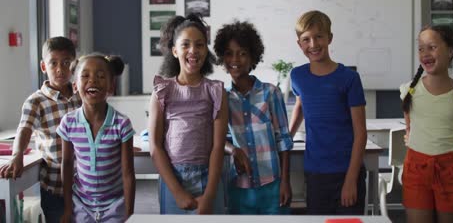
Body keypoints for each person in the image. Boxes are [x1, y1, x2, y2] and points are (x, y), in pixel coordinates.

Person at [288, 10, 367, 215]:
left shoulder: (349, 78)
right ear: (300, 44)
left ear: (329, 38)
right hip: (316, 173)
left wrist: (351, 181)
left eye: (319, 37)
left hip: (347, 171)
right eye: (306, 39)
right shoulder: (297, 76)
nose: (313, 44)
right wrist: (287, 138)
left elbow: (361, 133)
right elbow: (301, 105)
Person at [148, 13, 228, 214]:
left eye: (200, 45)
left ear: (206, 50)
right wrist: (177, 192)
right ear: (175, 51)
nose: (193, 50)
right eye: (185, 45)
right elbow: (155, 146)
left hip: (208, 178)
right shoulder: (162, 90)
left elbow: (218, 146)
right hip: (172, 179)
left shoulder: (216, 91)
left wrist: (209, 195)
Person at [213, 20, 293, 214]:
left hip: (272, 186)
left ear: (253, 57)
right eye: (229, 53)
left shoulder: (271, 93)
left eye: (242, 53)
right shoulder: (221, 97)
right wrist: (233, 150)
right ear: (223, 58)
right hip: (239, 188)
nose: (236, 59)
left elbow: (283, 140)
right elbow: (217, 138)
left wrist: (285, 182)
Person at [0, 37, 81, 222]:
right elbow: (24, 129)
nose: (60, 69)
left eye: (66, 62)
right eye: (53, 63)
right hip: (55, 187)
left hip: (85, 185)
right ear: (44, 66)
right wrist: (17, 155)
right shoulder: (36, 101)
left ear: (74, 66)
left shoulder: (81, 97)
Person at [400, 25, 453, 223]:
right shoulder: (408, 91)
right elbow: (409, 130)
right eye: (421, 48)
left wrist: (442, 146)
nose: (425, 53)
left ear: (450, 51)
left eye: (432, 47)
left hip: (450, 168)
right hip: (416, 168)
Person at [57, 54, 136, 222]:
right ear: (75, 86)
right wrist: (67, 208)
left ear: (111, 86)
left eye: (100, 76)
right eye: (85, 76)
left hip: (115, 204)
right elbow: (67, 164)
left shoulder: (122, 124)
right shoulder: (68, 123)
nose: (92, 81)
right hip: (81, 205)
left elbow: (128, 173)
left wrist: (130, 214)